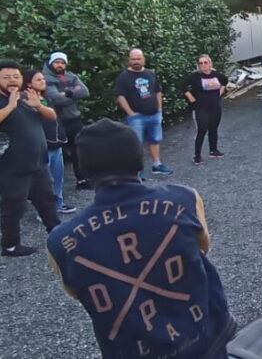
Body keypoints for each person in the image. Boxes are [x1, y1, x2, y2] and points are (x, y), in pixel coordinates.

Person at [47, 118, 236, 359]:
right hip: (206, 340)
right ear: (139, 158)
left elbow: (77, 291)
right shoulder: (184, 198)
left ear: (83, 169)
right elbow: (203, 246)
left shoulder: (60, 241)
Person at [0, 60, 61, 257]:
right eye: (7, 77)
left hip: (39, 163)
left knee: (47, 201)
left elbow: (52, 116)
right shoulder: (5, 102)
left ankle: (58, 235)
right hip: (13, 167)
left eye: (16, 77)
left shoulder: (29, 96)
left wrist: (39, 106)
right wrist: (10, 105)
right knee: (14, 206)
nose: (12, 81)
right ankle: (10, 245)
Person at [24, 69, 76, 214]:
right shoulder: (24, 100)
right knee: (44, 181)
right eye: (38, 80)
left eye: (43, 79)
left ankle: (59, 203)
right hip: (41, 146)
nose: (43, 82)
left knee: (58, 178)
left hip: (56, 143)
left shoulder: (47, 98)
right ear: (28, 83)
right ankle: (45, 210)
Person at [115, 49, 173, 176]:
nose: (136, 61)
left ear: (143, 59)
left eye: (138, 58)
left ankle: (157, 164)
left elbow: (158, 91)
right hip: (137, 117)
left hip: (154, 114)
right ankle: (137, 170)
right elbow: (120, 96)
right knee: (136, 143)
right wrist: (130, 113)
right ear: (129, 60)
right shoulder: (124, 76)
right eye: (133, 59)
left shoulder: (150, 74)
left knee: (155, 140)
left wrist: (159, 109)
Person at [43, 51, 90, 189]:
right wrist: (73, 91)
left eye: (63, 62)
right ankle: (51, 187)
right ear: (51, 63)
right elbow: (55, 99)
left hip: (74, 119)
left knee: (80, 149)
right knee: (55, 154)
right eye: (57, 62)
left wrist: (67, 93)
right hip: (56, 121)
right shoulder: (45, 78)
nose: (60, 65)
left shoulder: (70, 75)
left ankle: (82, 180)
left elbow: (85, 91)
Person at [183, 54, 228, 166]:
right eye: (201, 63)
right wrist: (191, 98)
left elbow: (225, 81)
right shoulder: (195, 76)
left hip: (215, 107)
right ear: (198, 65)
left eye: (206, 62)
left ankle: (213, 151)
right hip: (201, 108)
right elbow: (182, 85)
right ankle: (197, 156)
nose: (203, 65)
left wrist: (220, 92)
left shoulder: (216, 75)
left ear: (210, 63)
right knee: (202, 131)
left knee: (214, 129)